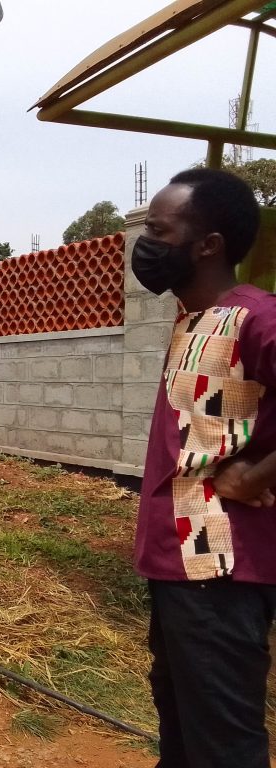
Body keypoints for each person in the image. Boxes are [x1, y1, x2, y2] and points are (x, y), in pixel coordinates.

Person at [132, 168, 276, 768]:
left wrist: (263, 472)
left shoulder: (256, 318)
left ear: (207, 245)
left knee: (223, 742)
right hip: (178, 563)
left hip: (220, 567)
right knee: (183, 727)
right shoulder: (195, 319)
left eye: (159, 230)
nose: (146, 242)